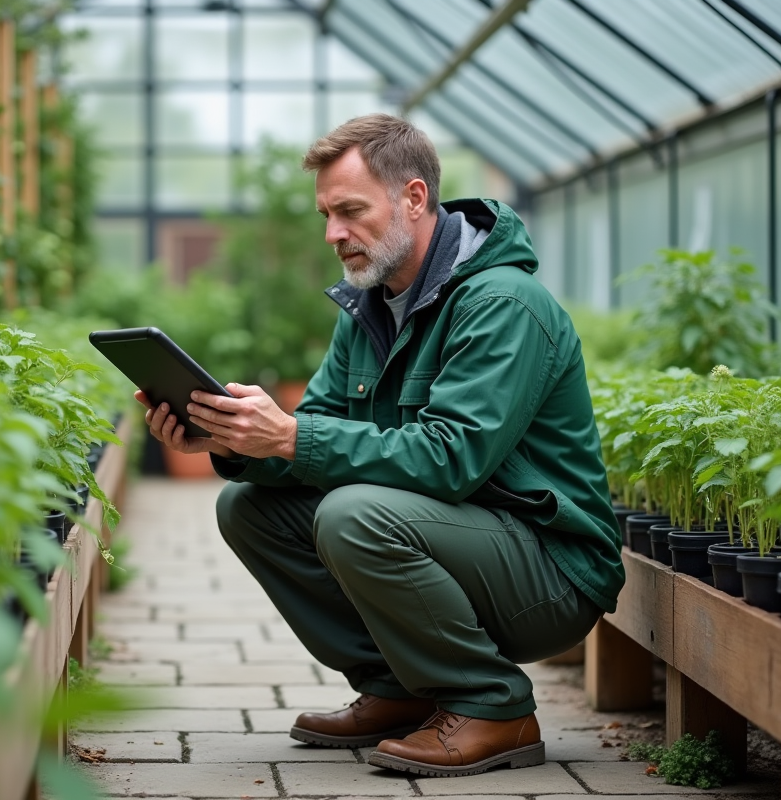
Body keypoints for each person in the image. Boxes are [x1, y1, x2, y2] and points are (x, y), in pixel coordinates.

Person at [135, 113, 624, 778]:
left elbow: (452, 459)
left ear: (414, 198)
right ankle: (399, 690)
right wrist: (236, 440)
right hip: (459, 540)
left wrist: (292, 434)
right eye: (326, 216)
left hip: (549, 571)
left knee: (353, 515)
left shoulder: (504, 303)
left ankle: (493, 705)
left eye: (351, 211)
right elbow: (317, 440)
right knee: (247, 506)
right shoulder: (372, 306)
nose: (335, 234)